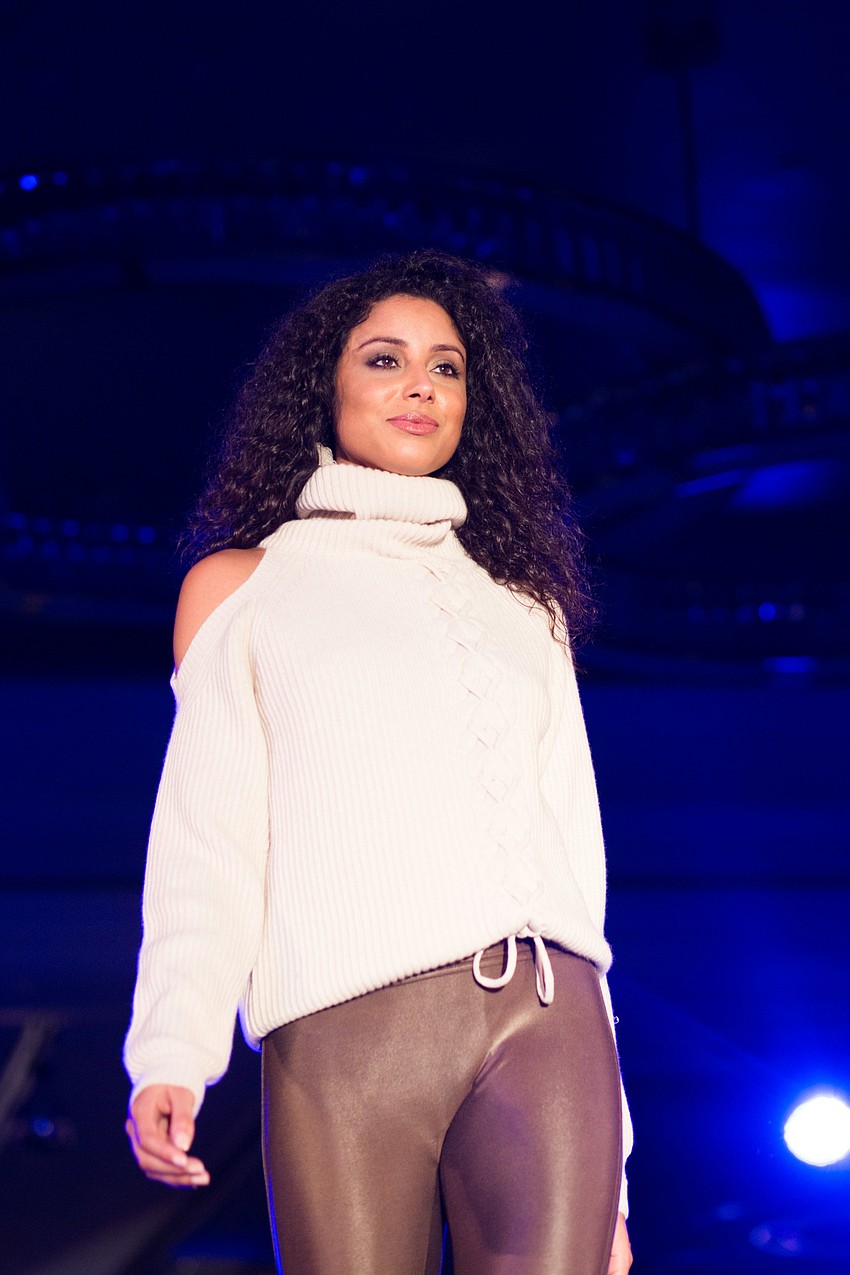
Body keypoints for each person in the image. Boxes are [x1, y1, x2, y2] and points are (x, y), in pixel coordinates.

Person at [123, 249, 634, 1275]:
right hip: (349, 1023)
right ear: (326, 386)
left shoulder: (522, 606)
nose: (419, 386)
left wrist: (613, 1173)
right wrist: (173, 1048)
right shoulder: (245, 587)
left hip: (547, 1015)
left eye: (446, 368)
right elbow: (210, 833)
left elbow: (575, 861)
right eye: (386, 359)